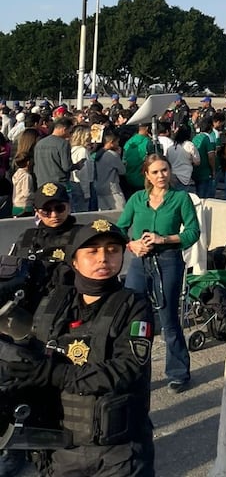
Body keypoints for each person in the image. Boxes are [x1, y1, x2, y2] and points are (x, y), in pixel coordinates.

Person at [0, 220, 155, 476]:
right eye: (92, 251)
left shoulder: (133, 305)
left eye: (113, 250)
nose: (103, 258)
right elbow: (34, 358)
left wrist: (55, 374)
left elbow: (127, 369)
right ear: (74, 260)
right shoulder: (53, 302)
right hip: (60, 447)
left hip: (118, 450)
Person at [117, 154, 200, 393]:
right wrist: (132, 244)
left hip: (168, 260)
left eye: (164, 170)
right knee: (134, 318)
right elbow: (120, 228)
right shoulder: (137, 199)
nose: (161, 176)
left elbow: (193, 232)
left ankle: (178, 373)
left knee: (168, 319)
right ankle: (132, 372)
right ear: (147, 175)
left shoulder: (180, 198)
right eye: (155, 172)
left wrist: (164, 239)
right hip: (140, 262)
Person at [33, 117, 75, 190]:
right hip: (59, 184)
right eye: (70, 131)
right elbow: (66, 167)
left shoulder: (40, 143)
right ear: (64, 129)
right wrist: (77, 165)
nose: (70, 134)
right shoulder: (63, 144)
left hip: (42, 183)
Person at [94, 132, 127, 211]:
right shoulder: (112, 155)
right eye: (117, 142)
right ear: (111, 142)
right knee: (120, 211)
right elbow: (122, 171)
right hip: (113, 189)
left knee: (103, 213)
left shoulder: (98, 155)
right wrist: (119, 156)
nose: (118, 144)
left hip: (99, 187)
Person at [11, 128, 38, 217]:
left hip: (16, 203)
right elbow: (27, 193)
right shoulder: (27, 176)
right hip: (26, 205)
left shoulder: (17, 172)